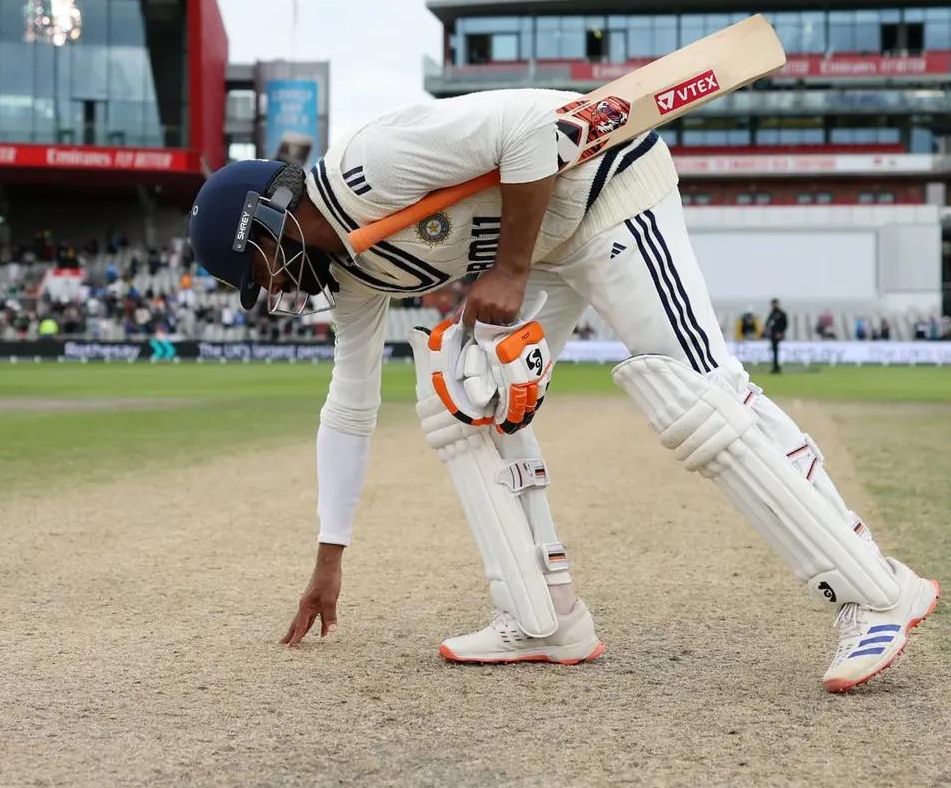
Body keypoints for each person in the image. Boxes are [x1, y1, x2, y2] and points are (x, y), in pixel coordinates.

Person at [188, 89, 939, 693]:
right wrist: (329, 558)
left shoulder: (372, 162)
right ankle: (544, 615)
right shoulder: (351, 277)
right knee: (468, 396)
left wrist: (509, 270)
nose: (276, 287)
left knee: (694, 392)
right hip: (544, 242)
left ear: (272, 216)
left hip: (606, 188)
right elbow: (348, 410)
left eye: (262, 268)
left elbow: (532, 130)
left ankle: (873, 590)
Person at [765, 298, 787, 373]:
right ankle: (775, 367)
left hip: (779, 335)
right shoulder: (772, 314)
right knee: (774, 351)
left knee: (778, 352)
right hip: (773, 335)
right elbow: (767, 323)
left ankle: (777, 367)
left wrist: (781, 333)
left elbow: (785, 324)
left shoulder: (782, 314)